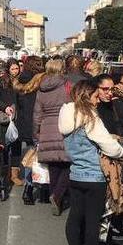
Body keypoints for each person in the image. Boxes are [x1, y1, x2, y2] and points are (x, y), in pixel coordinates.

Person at [59, 79, 123, 245]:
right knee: (92, 222)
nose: (98, 100)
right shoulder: (89, 117)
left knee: (74, 217)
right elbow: (108, 146)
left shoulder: (67, 114)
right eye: (96, 96)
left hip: (76, 174)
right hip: (95, 177)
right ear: (88, 96)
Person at [33, 58, 72, 215]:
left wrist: (36, 135)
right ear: (61, 69)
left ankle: (54, 196)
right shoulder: (68, 86)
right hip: (65, 127)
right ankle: (57, 196)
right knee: (69, 165)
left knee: (53, 168)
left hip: (47, 129)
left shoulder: (41, 89)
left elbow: (36, 115)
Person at [12, 56, 46, 205]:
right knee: (44, 157)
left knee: (31, 155)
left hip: (25, 123)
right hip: (41, 123)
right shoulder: (43, 81)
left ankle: (29, 188)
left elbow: (18, 105)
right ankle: (43, 190)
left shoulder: (20, 80)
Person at [95, 73, 123, 147]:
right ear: (96, 89)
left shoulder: (116, 104)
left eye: (112, 89)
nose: (110, 93)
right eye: (105, 89)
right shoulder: (91, 109)